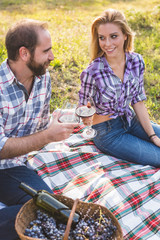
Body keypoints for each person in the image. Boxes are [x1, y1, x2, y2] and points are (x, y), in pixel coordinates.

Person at [0, 19, 79, 240]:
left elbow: (40, 124)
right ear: (24, 53)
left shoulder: (42, 79)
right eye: (46, 51)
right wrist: (47, 135)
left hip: (12, 168)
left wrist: (69, 119)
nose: (52, 57)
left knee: (52, 211)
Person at [79, 8, 160, 168]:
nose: (107, 44)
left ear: (125, 35)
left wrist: (152, 136)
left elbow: (138, 101)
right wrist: (85, 114)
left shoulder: (136, 61)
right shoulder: (93, 71)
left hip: (130, 120)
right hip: (107, 132)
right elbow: (82, 106)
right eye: (102, 38)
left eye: (113, 36)